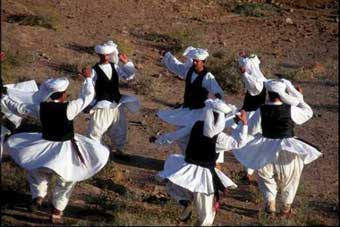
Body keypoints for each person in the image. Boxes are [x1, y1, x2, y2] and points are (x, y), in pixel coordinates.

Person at [3, 72, 110, 224]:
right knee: (67, 180)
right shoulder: (70, 108)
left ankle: (38, 196)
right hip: (65, 150)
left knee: (36, 171)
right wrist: (87, 79)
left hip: (43, 146)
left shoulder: (41, 108)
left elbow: (19, 108)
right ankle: (56, 212)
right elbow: (87, 96)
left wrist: (3, 98)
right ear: (64, 94)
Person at [233, 79, 322, 217]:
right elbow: (308, 112)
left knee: (264, 174)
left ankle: (270, 203)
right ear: (282, 94)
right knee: (291, 176)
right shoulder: (290, 109)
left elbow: (251, 129)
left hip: (265, 148)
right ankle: (286, 208)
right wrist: (299, 97)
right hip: (288, 148)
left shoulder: (261, 110)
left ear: (269, 93)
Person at [153, 99, 248, 226]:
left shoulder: (196, 125)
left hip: (186, 169)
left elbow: (175, 135)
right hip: (205, 177)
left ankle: (185, 202)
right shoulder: (220, 138)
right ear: (221, 118)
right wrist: (244, 124)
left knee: (173, 186)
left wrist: (158, 140)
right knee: (206, 214)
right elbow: (238, 143)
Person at [85, 41, 140, 155]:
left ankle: (120, 151)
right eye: (103, 55)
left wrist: (126, 63)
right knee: (95, 131)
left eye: (107, 54)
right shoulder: (94, 70)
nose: (106, 57)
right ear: (99, 55)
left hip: (116, 104)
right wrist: (88, 104)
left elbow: (129, 76)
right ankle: (94, 154)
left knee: (120, 130)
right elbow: (89, 88)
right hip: (102, 105)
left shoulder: (114, 66)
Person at [233, 51, 268, 183]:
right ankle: (249, 171)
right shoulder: (263, 80)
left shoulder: (257, 83)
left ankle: (250, 171)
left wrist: (244, 74)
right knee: (252, 143)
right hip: (256, 115)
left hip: (252, 117)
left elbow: (253, 88)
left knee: (246, 142)